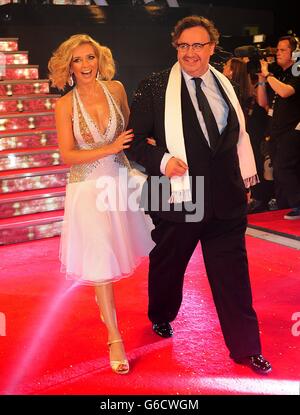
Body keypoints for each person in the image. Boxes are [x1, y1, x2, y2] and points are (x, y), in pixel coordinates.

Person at [126, 15, 272, 374]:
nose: (190, 52)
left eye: (198, 45)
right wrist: (161, 160)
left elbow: (234, 141)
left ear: (211, 47)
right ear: (176, 47)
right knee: (167, 264)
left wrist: (243, 186)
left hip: (226, 198)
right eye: (183, 45)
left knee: (233, 275)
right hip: (176, 194)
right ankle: (160, 313)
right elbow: (132, 144)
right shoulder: (154, 86)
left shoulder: (226, 86)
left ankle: (246, 347)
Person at [48, 34, 154, 375]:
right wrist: (108, 149)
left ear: (99, 59)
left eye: (90, 57)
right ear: (69, 66)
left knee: (144, 245)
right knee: (100, 261)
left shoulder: (118, 89)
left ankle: (162, 312)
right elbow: (67, 155)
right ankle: (114, 337)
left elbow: (132, 133)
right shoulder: (64, 105)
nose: (85, 65)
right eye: (77, 60)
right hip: (88, 190)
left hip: (121, 183)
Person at [257, 35, 300, 219]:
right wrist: (261, 79)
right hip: (277, 131)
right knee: (278, 171)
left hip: (294, 129)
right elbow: (262, 102)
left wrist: (268, 75)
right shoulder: (280, 73)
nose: (278, 53)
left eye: (283, 50)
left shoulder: (298, 70)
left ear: (295, 52)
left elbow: (285, 91)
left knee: (284, 167)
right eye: (277, 49)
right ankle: (285, 206)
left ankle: (298, 205)